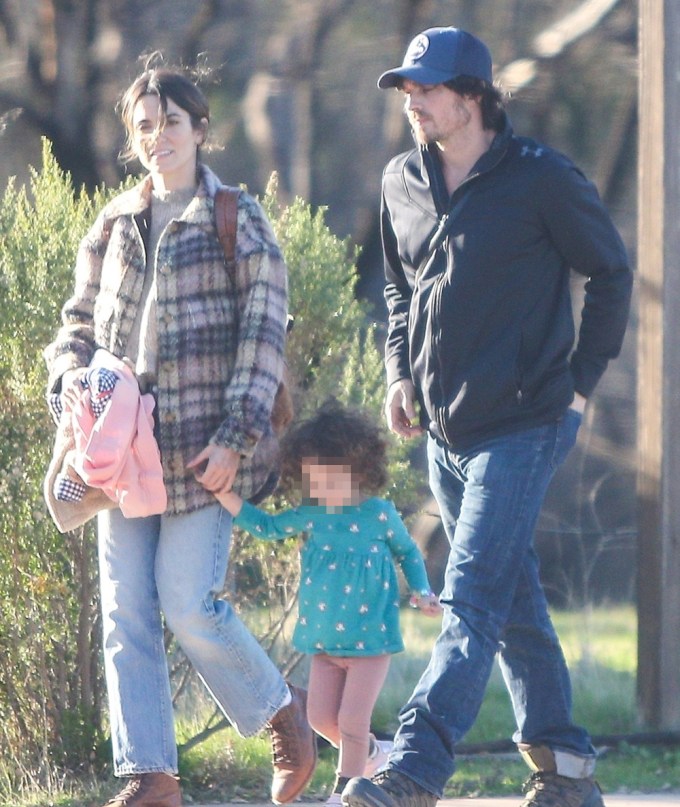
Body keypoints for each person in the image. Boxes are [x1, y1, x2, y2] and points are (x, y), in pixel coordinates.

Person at [341, 26, 633, 807]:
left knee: (469, 595)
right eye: (407, 88)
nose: (414, 101)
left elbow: (610, 270)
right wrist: (400, 373)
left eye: (428, 88)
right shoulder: (400, 178)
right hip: (443, 433)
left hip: (526, 422)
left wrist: (578, 387)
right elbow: (400, 289)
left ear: (473, 96)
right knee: (513, 598)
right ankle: (566, 766)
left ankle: (412, 769)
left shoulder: (540, 177)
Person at [43, 61, 316, 807]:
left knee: (189, 600)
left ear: (199, 128)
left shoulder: (238, 219)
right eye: (143, 127)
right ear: (133, 141)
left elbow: (264, 340)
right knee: (125, 609)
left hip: (202, 451)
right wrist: (68, 387)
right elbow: (75, 325)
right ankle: (151, 776)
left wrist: (236, 436)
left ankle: (283, 714)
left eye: (170, 122)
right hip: (118, 456)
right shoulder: (111, 224)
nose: (157, 137)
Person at [217, 400, 442, 806]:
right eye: (313, 481)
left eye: (330, 478)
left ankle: (345, 792)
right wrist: (227, 497)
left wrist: (422, 590)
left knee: (353, 721)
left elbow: (408, 552)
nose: (322, 489)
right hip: (323, 642)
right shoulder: (312, 515)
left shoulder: (379, 514)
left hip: (371, 640)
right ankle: (372, 755)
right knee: (321, 718)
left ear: (359, 469)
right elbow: (267, 528)